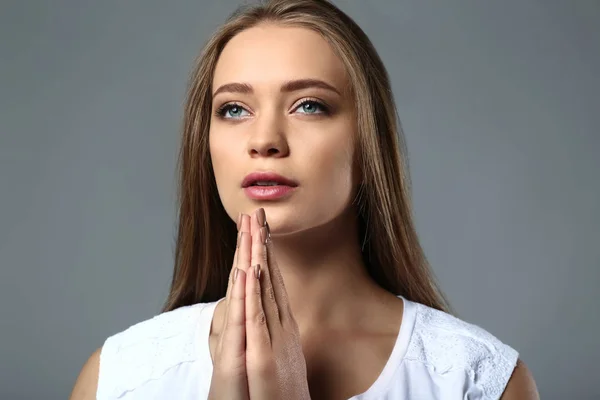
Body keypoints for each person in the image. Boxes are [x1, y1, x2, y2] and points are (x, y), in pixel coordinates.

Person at [70, 0, 539, 399]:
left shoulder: (476, 381)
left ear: (367, 140)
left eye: (309, 105)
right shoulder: (120, 378)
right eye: (234, 109)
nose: (265, 140)